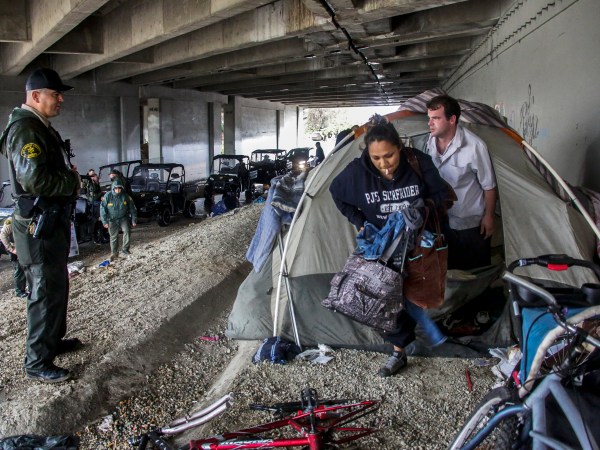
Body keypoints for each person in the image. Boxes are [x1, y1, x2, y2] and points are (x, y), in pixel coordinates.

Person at [329, 114, 450, 377]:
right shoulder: (357, 173)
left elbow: (440, 195)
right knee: (383, 300)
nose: (384, 164)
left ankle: (427, 329)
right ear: (368, 155)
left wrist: (423, 209)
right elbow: (336, 194)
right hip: (383, 249)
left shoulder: (419, 162)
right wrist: (359, 221)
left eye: (390, 156)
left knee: (415, 295)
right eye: (377, 158)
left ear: (401, 149)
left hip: (418, 246)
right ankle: (399, 352)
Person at [0, 68, 82, 383]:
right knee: (44, 290)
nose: (60, 99)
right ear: (35, 96)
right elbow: (35, 179)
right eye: (55, 93)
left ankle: (51, 342)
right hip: (38, 225)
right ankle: (37, 361)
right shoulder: (26, 129)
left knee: (56, 283)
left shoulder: (38, 127)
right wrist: (72, 180)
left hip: (49, 222)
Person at [425, 95, 498, 270]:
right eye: (429, 118)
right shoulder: (430, 143)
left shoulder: (475, 147)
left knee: (475, 272)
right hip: (441, 221)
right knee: (448, 271)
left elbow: (489, 186)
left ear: (452, 119)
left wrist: (489, 217)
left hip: (470, 225)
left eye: (435, 118)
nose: (430, 123)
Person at [100, 181, 137, 261]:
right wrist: (104, 221)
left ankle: (125, 249)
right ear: (113, 188)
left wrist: (134, 219)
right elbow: (103, 209)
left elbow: (132, 208)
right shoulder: (108, 196)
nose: (117, 190)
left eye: (119, 188)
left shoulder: (125, 196)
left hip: (123, 218)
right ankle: (114, 253)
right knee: (113, 236)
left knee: (127, 231)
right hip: (112, 219)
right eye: (116, 188)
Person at [0, 217, 28, 298]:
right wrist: (11, 249)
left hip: (25, 247)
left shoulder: (30, 218)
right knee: (19, 269)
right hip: (15, 248)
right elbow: (3, 235)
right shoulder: (11, 220)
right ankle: (19, 291)